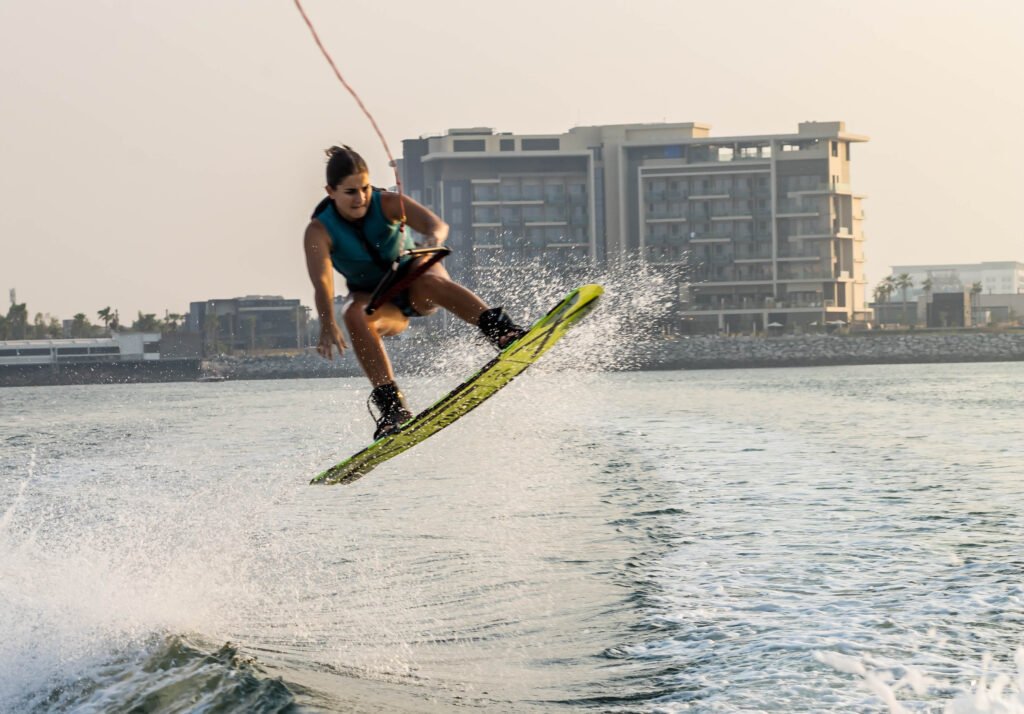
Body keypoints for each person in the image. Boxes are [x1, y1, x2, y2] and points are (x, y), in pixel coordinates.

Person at [304, 145, 526, 440]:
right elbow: (322, 283)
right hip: (382, 303)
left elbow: (437, 226)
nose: (360, 199)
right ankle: (392, 408)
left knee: (427, 278)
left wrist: (431, 239)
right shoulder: (319, 230)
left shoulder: (387, 203)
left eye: (365, 188)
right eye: (350, 192)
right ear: (330, 191)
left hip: (417, 284)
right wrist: (327, 323)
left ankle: (501, 330)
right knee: (353, 313)